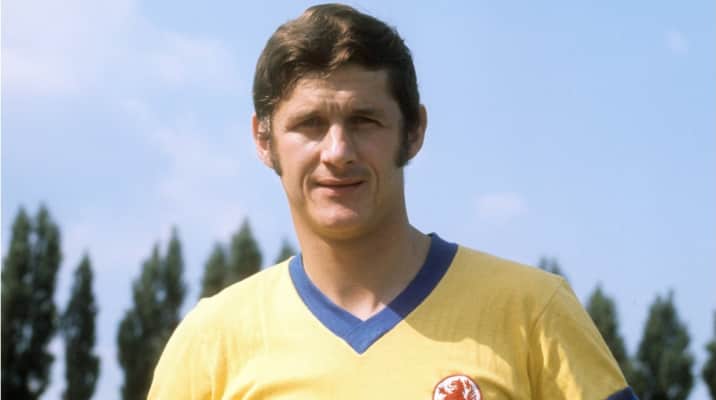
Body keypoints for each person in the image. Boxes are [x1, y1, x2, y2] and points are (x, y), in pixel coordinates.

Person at [148, 4, 637, 399]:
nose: (337, 152)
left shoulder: (533, 313)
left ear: (414, 131)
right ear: (263, 139)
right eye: (310, 124)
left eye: (364, 121)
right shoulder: (211, 341)